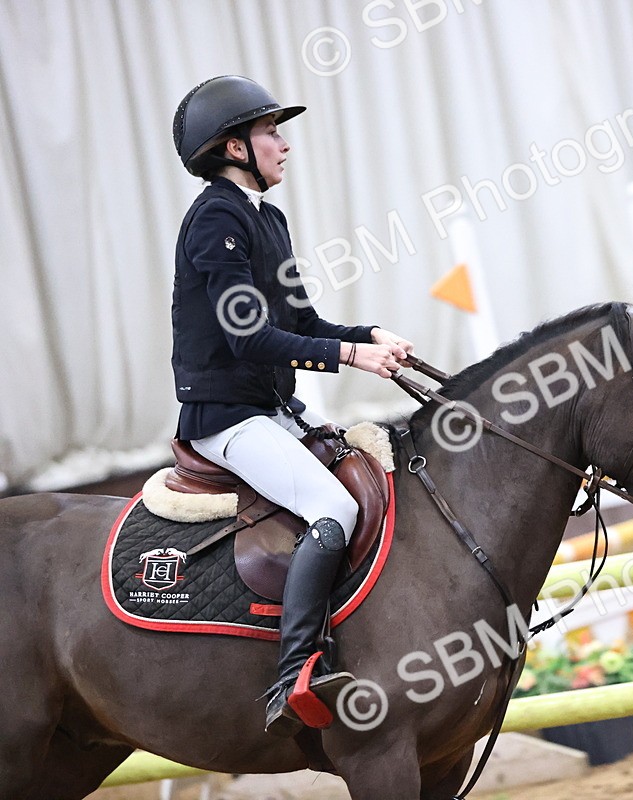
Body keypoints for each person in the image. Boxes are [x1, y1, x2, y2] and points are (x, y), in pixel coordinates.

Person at [171, 75, 413, 736]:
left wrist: (368, 336)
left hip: (274, 411)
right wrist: (350, 357)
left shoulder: (267, 219)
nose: (283, 144)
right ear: (234, 148)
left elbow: (302, 322)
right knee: (333, 507)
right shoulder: (216, 219)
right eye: (270, 132)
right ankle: (295, 671)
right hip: (225, 419)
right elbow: (248, 338)